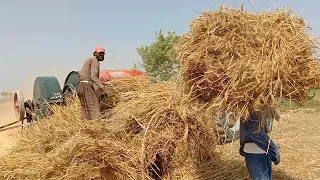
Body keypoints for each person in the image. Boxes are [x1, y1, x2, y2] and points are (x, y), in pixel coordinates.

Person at [239, 110, 280, 180]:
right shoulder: (253, 115)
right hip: (257, 153)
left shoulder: (248, 113)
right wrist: (274, 152)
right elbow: (257, 134)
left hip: (259, 153)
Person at [76, 46, 109, 120]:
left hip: (80, 85)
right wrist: (103, 88)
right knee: (94, 106)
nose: (101, 55)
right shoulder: (94, 60)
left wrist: (103, 83)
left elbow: (91, 77)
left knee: (85, 108)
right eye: (100, 53)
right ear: (95, 53)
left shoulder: (90, 59)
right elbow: (93, 77)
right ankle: (96, 126)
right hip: (86, 86)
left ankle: (85, 125)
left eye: (103, 53)